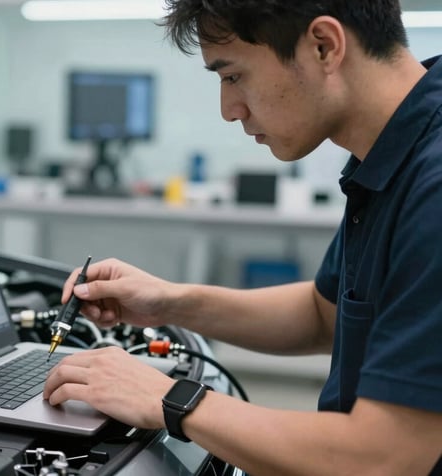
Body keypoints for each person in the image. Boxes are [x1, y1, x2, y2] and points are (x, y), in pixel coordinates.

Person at [42, 1, 442, 474]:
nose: (229, 111)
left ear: (324, 46)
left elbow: (382, 458)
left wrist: (169, 399)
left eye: (232, 76)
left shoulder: (433, 186)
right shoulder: (392, 154)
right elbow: (324, 315)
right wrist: (167, 301)